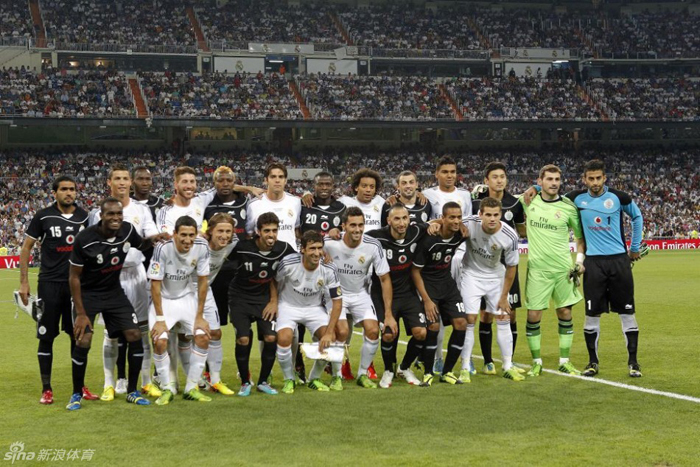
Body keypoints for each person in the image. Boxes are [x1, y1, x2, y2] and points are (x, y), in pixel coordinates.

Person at [89, 164, 166, 402]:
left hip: (136, 274)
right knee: (111, 334)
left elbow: (149, 236)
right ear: (109, 183)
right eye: (117, 178)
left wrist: (161, 236)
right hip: (109, 277)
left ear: (130, 183)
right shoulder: (97, 212)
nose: (122, 182)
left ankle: (144, 382)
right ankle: (109, 384)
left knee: (141, 331)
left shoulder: (141, 210)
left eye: (125, 178)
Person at [68, 197, 153, 410]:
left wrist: (155, 238)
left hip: (114, 292)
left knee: (134, 334)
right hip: (88, 294)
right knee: (83, 339)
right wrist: (80, 313)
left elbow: (141, 244)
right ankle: (76, 394)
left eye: (119, 214)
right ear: (101, 216)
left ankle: (132, 391)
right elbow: (74, 277)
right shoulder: (85, 239)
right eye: (110, 214)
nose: (116, 218)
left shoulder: (127, 230)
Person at [19, 175, 92, 405]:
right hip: (49, 284)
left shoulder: (85, 217)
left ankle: (79, 388)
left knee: (78, 336)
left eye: (72, 189)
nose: (69, 193)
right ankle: (47, 388)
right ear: (55, 193)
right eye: (64, 189)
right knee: (46, 336)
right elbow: (26, 248)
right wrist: (24, 282)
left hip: (77, 286)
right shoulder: (43, 216)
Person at [567, 159, 644, 378]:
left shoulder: (619, 198)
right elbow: (551, 199)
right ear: (584, 179)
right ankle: (592, 362)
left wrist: (635, 246)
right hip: (593, 264)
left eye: (598, 178)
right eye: (590, 178)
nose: (594, 182)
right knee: (592, 315)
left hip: (619, 261)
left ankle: (633, 363)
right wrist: (534, 188)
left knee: (627, 313)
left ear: (605, 178)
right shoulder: (575, 198)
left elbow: (637, 216)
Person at [521, 165, 586, 377]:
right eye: (549, 179)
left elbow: (579, 238)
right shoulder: (528, 200)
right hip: (538, 270)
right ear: (540, 181)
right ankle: (536, 362)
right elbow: (500, 196)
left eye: (557, 179)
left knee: (565, 312)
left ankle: (564, 361)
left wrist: (579, 260)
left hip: (563, 270)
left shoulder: (568, 207)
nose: (554, 183)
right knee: (533, 315)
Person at [323, 207, 393, 389]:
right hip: (336, 294)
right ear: (343, 225)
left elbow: (384, 279)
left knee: (372, 331)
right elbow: (308, 250)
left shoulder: (372, 245)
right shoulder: (330, 243)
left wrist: (388, 313)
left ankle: (362, 374)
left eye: (361, 225)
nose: (357, 229)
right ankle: (336, 376)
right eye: (352, 225)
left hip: (360, 293)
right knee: (343, 331)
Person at [148, 215, 212, 405]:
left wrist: (200, 316)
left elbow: (202, 282)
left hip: (186, 297)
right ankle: (166, 387)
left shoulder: (202, 246)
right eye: (183, 235)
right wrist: (160, 319)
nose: (187, 240)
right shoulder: (162, 248)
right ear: (174, 234)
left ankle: (191, 388)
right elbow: (155, 285)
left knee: (203, 336)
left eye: (191, 235)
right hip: (164, 300)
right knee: (160, 341)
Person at [229, 212, 295, 396]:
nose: (271, 235)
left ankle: (263, 381)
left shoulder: (284, 249)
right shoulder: (242, 248)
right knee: (243, 338)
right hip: (240, 297)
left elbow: (299, 262)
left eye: (274, 230)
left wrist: (274, 301)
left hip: (264, 299)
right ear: (258, 231)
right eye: (267, 231)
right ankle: (244, 382)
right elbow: (223, 263)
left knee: (271, 338)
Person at [367, 204, 432, 389]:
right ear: (388, 221)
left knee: (421, 333)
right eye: (397, 218)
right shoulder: (375, 236)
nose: (402, 223)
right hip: (382, 294)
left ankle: (404, 367)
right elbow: (350, 238)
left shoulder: (417, 230)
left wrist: (437, 223)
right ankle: (388, 369)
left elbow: (436, 224)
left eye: (405, 218)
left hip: (408, 293)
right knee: (388, 334)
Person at [460, 198, 524, 382]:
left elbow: (512, 267)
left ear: (501, 215)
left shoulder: (509, 235)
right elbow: (449, 221)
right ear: (480, 215)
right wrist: (435, 224)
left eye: (496, 214)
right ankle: (465, 367)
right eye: (488, 214)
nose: (492, 219)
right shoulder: (470, 223)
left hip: (496, 276)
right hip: (471, 274)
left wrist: (504, 297)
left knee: (503, 316)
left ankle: (507, 365)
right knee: (469, 319)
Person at [472, 162, 526, 375]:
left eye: (502, 176)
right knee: (486, 314)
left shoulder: (515, 204)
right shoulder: (475, 201)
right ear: (486, 180)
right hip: (483, 265)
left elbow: (521, 231)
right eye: (494, 177)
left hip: (507, 267)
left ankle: (509, 361)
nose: (499, 180)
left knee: (509, 314)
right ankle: (488, 361)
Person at [421, 155, 472, 374]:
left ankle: (464, 360)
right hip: (435, 256)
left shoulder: (465, 195)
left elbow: (465, 223)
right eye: (445, 172)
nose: (449, 175)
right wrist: (432, 224)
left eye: (453, 172)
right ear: (437, 174)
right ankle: (436, 358)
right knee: (436, 317)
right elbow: (423, 219)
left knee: (461, 314)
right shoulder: (428, 194)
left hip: (458, 256)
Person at [274, 231, 343, 394]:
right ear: (302, 249)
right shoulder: (288, 263)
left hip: (314, 308)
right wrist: (273, 302)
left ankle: (314, 378)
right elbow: (274, 282)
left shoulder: (329, 268)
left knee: (330, 339)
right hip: (288, 306)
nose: (317, 253)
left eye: (320, 248)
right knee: (284, 338)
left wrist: (329, 332)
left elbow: (337, 302)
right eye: (312, 248)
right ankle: (289, 378)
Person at [411, 202, 468, 386]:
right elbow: (415, 272)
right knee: (433, 327)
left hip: (447, 285)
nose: (456, 221)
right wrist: (426, 300)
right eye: (451, 217)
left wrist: (463, 225)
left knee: (461, 323)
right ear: (443, 218)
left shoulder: (460, 234)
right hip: (429, 287)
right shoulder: (429, 239)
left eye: (459, 217)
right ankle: (428, 372)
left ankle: (448, 372)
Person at [202, 166, 249, 383]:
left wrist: (247, 188)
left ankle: (240, 370)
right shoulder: (208, 205)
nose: (225, 184)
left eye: (229, 181)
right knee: (207, 328)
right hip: (209, 280)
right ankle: (205, 371)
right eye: (220, 181)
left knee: (240, 325)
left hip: (236, 272)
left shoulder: (246, 201)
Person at [197, 213, 239, 394]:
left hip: (206, 291)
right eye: (220, 231)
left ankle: (215, 380)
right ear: (210, 231)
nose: (224, 235)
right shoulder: (198, 244)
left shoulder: (231, 243)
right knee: (185, 337)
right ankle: (194, 379)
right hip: (184, 292)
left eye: (228, 231)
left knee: (215, 333)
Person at [246, 163, 301, 249]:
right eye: (273, 177)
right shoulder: (253, 205)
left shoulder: (296, 202)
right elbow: (249, 235)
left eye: (281, 177)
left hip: (289, 258)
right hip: (264, 258)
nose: (277, 180)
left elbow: (296, 230)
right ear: (266, 180)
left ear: (285, 180)